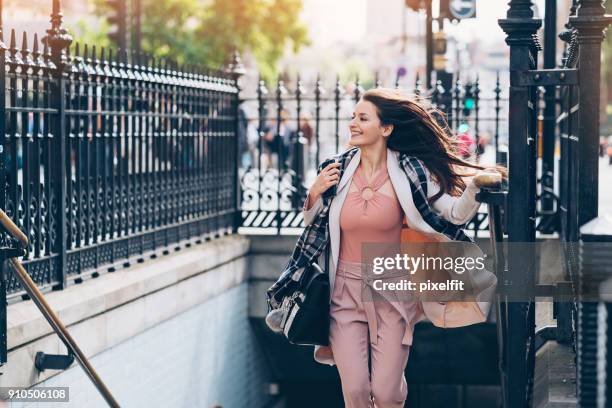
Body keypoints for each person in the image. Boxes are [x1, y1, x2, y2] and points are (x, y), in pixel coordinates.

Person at [292, 88, 501, 407]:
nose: (353, 124)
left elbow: (454, 214)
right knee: (357, 392)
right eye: (353, 117)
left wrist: (474, 186)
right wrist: (314, 193)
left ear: (386, 128)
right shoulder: (338, 168)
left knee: (387, 393)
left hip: (393, 292)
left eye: (363, 118)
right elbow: (313, 224)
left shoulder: (412, 171)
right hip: (343, 293)